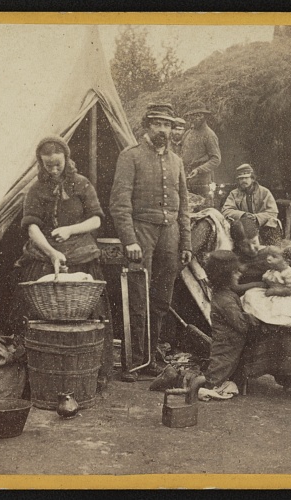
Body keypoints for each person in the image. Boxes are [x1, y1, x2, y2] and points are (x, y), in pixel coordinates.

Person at [14, 136, 114, 391]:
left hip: (81, 255)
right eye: (49, 166)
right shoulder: (36, 190)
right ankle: (44, 375)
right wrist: (51, 253)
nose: (54, 169)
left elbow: (96, 220)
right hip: (45, 256)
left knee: (91, 315)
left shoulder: (81, 184)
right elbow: (32, 227)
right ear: (41, 163)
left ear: (67, 159)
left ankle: (93, 376)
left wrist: (70, 230)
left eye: (58, 164)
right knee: (40, 317)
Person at [110, 103, 193, 374]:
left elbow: (184, 206)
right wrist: (129, 239)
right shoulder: (130, 156)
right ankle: (133, 361)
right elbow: (120, 203)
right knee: (137, 296)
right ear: (147, 125)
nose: (163, 129)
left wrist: (186, 243)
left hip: (170, 235)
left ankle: (152, 359)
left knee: (161, 299)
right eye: (157, 123)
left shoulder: (177, 161)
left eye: (167, 124)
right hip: (141, 234)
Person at [237, 245, 291, 391]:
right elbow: (265, 283)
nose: (268, 259)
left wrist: (275, 291)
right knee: (252, 299)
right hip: (269, 297)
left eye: (274, 257)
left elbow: (289, 290)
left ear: (287, 260)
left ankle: (288, 375)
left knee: (282, 322)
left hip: (283, 299)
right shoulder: (270, 271)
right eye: (268, 256)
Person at [201, 250, 259, 399]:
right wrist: (249, 317)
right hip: (228, 345)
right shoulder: (225, 300)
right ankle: (178, 378)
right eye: (235, 272)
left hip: (231, 343)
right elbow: (241, 325)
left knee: (222, 369)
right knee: (214, 378)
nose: (239, 274)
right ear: (225, 276)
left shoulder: (225, 293)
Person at [221, 164, 283, 247]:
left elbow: (273, 211)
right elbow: (226, 210)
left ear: (252, 179)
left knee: (273, 222)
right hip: (243, 226)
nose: (243, 181)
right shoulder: (234, 193)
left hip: (261, 225)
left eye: (246, 178)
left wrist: (256, 218)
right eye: (240, 179)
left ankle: (274, 250)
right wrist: (243, 215)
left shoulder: (264, 192)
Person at [180, 101, 221, 203]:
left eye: (198, 115)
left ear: (204, 117)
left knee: (203, 208)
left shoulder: (209, 135)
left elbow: (216, 159)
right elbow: (182, 153)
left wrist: (199, 170)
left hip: (203, 181)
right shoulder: (188, 133)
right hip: (187, 178)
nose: (195, 118)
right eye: (192, 116)